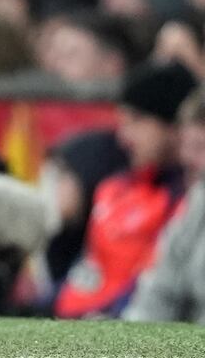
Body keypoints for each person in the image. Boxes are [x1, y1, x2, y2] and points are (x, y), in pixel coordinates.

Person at [55, 61, 196, 319]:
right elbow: (87, 270)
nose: (124, 137)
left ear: (175, 128)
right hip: (76, 317)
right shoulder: (113, 188)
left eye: (137, 121)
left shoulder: (188, 199)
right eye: (122, 122)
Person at [125, 87, 205, 324]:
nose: (188, 159)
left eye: (200, 147)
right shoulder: (198, 202)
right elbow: (160, 287)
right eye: (185, 147)